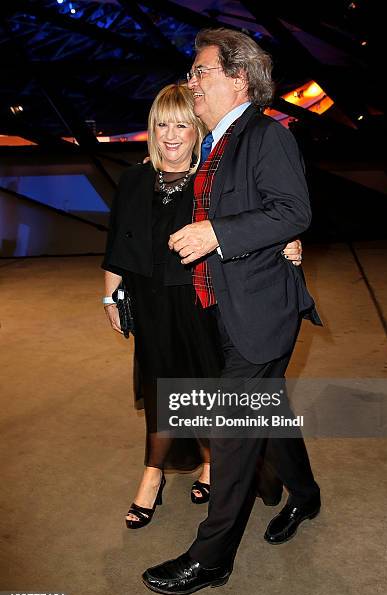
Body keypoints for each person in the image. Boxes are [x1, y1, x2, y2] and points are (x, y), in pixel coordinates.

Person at [142, 28, 322, 595]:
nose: (191, 82)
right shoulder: (214, 143)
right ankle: (307, 495)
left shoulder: (265, 135)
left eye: (201, 71)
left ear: (238, 77)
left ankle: (212, 557)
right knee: (264, 415)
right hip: (220, 307)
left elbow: (293, 210)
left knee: (232, 429)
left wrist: (220, 232)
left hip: (262, 309)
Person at [102, 83, 303, 529]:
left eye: (181, 125)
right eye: (161, 125)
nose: (171, 135)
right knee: (162, 395)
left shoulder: (211, 181)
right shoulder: (134, 178)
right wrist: (109, 295)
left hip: (201, 305)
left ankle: (213, 464)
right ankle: (151, 477)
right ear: (151, 130)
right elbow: (117, 245)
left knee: (206, 394)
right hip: (150, 307)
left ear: (197, 131)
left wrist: (289, 243)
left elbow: (259, 219)